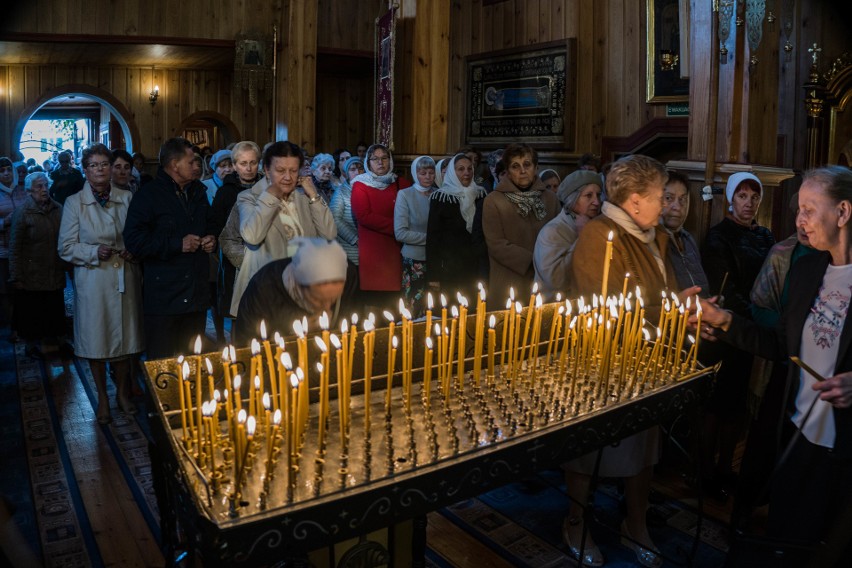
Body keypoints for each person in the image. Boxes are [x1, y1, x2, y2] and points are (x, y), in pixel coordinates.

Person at [697, 166, 852, 567]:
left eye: (809, 209)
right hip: (798, 435)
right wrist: (724, 322)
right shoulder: (805, 271)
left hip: (844, 451)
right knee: (787, 540)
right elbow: (780, 345)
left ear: (843, 212)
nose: (799, 220)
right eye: (799, 209)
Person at [569, 155, 692, 568]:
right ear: (636, 202)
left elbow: (660, 293)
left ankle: (635, 524)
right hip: (601, 361)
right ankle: (576, 522)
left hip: (649, 359)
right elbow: (605, 307)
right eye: (660, 196)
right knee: (590, 447)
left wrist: (683, 311)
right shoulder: (598, 237)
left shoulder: (652, 235)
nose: (667, 205)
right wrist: (668, 314)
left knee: (644, 445)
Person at [699, 171, 775, 497]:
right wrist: (755, 319)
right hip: (726, 328)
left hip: (753, 330)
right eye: (742, 196)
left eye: (754, 196)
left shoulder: (767, 236)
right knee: (716, 405)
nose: (749, 203)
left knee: (738, 406)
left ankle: (726, 467)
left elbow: (772, 281)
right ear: (731, 198)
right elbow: (723, 287)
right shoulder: (718, 236)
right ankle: (702, 472)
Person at [59, 144, 143, 424]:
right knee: (97, 341)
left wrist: (134, 250)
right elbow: (66, 247)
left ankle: (121, 393)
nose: (100, 169)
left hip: (123, 278)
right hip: (93, 280)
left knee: (122, 341)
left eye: (104, 164)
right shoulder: (74, 203)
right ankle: (103, 399)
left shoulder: (127, 197)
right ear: (85, 169)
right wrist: (93, 252)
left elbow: (136, 234)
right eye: (93, 165)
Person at [123, 137, 217, 359]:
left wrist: (212, 239)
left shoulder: (198, 192)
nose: (197, 166)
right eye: (192, 161)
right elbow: (134, 241)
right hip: (164, 298)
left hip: (195, 294)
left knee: (193, 358)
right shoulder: (148, 195)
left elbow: (211, 224)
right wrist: (177, 244)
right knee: (162, 364)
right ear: (175, 165)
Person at [229, 141, 337, 321]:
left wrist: (314, 196)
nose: (288, 177)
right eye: (280, 171)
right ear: (266, 169)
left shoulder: (304, 198)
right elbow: (252, 236)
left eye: (293, 171)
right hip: (266, 289)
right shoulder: (249, 197)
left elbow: (329, 234)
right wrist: (272, 194)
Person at [482, 143, 559, 308]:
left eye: (527, 164)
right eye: (515, 166)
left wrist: (547, 262)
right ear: (508, 172)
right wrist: (533, 261)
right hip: (509, 280)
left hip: (544, 278)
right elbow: (496, 244)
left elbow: (558, 235)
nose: (522, 171)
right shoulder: (494, 200)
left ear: (536, 168)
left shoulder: (550, 199)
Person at [235, 237, 355, 341]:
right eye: (318, 299)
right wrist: (295, 335)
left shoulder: (349, 276)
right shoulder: (263, 289)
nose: (327, 308)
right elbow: (246, 345)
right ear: (299, 286)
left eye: (333, 299)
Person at [8, 172, 67, 360]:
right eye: (39, 187)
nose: (44, 190)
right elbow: (15, 246)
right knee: (32, 311)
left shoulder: (58, 209)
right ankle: (32, 345)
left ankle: (57, 342)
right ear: (29, 191)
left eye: (45, 186)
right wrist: (15, 275)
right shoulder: (23, 212)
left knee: (54, 308)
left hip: (54, 268)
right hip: (31, 271)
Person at [351, 144, 412, 309]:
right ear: (368, 162)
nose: (380, 162)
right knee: (375, 300)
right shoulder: (360, 185)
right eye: (375, 159)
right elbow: (363, 215)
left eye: (384, 158)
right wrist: (397, 227)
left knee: (395, 299)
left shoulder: (401, 183)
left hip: (398, 247)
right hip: (374, 248)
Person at [210, 141, 263, 325]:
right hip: (237, 259)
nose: (249, 168)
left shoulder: (267, 188)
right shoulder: (226, 192)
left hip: (265, 255)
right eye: (243, 163)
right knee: (239, 312)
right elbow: (217, 227)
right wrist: (241, 257)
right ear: (234, 166)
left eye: (253, 162)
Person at [425, 153, 488, 302]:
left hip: (475, 266)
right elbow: (433, 239)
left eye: (469, 169)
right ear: (452, 173)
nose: (466, 173)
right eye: (460, 169)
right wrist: (433, 275)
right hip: (449, 266)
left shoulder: (481, 195)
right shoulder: (441, 197)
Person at [533, 170, 603, 301]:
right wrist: (584, 238)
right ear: (573, 198)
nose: (597, 202)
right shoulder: (552, 231)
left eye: (598, 195)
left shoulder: (598, 227)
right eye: (589, 196)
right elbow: (556, 280)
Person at [394, 156, 434, 316]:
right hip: (414, 260)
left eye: (431, 172)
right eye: (423, 173)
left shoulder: (439, 194)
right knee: (413, 304)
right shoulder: (405, 195)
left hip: (435, 259)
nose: (427, 176)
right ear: (415, 173)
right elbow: (400, 232)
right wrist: (431, 239)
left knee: (432, 305)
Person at [659, 170, 709, 293]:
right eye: (669, 198)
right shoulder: (654, 241)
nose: (677, 206)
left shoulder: (688, 239)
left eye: (683, 199)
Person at [0, 156, 28, 329]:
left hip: (23, 249)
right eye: (2, 171)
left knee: (22, 289)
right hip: (2, 250)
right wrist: (5, 222)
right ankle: (11, 326)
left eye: (9, 170)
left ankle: (23, 324)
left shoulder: (22, 191)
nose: (6, 173)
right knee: (5, 290)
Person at [330, 155, 364, 266]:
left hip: (369, 247)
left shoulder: (369, 189)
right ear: (346, 173)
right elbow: (335, 218)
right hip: (349, 248)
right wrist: (355, 239)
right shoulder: (341, 191)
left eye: (360, 168)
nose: (357, 172)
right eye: (352, 169)